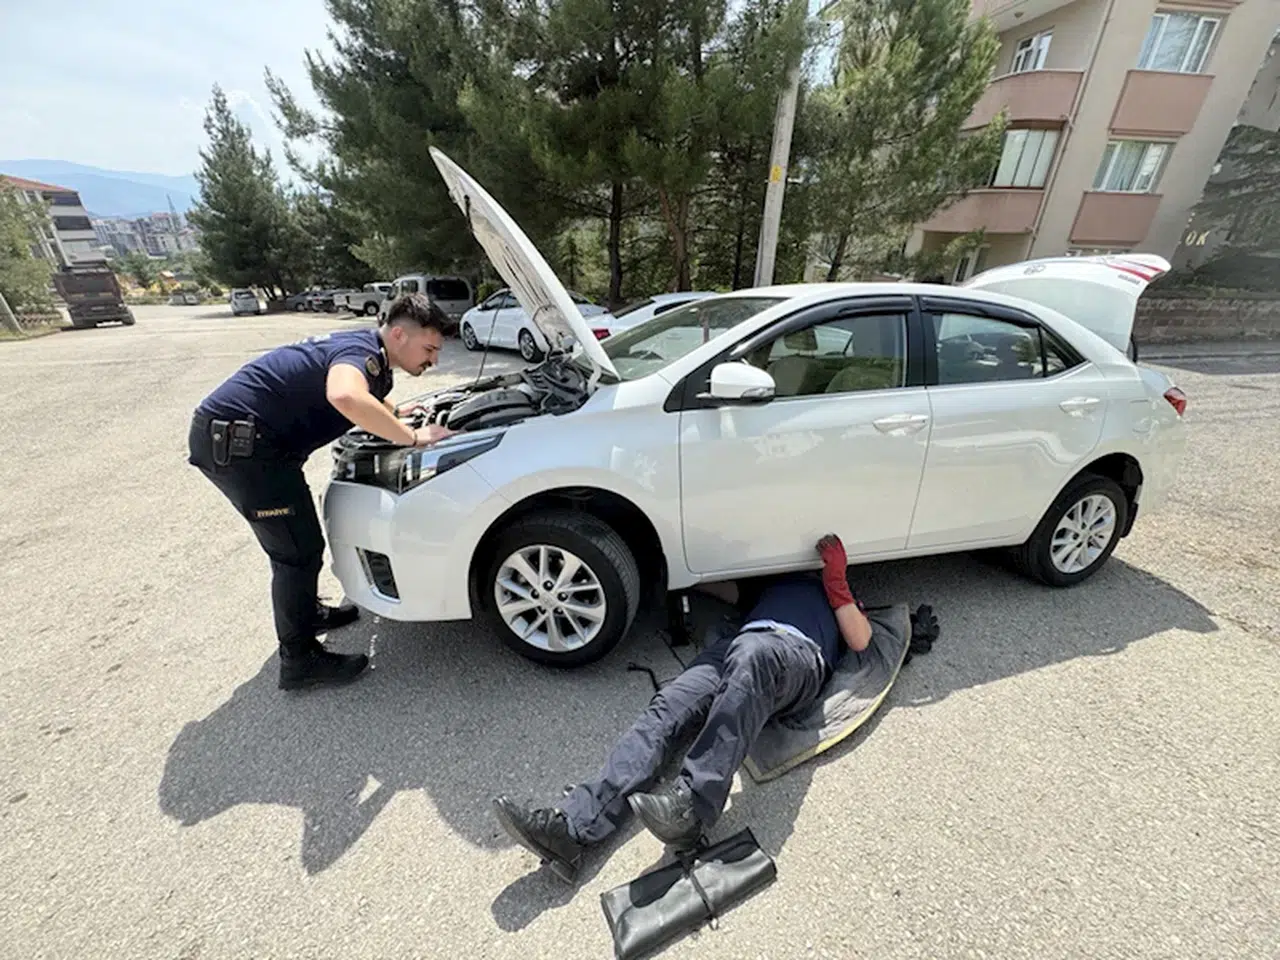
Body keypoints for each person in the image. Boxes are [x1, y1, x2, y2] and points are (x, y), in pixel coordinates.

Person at [492, 534, 871, 882]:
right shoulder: (771, 579)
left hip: (793, 655)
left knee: (753, 652)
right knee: (669, 705)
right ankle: (572, 828)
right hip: (736, 650)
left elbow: (860, 638)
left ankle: (693, 807)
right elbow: (722, 588)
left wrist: (835, 581)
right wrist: (674, 566)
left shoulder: (837, 591)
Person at [187, 293, 456, 691]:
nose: (433, 360)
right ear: (400, 335)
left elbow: (364, 389)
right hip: (242, 449)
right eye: (429, 349)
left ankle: (307, 614)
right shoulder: (361, 352)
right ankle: (299, 661)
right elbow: (345, 394)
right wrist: (412, 436)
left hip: (254, 444)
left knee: (302, 543)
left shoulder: (370, 352)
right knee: (295, 553)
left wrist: (394, 413)